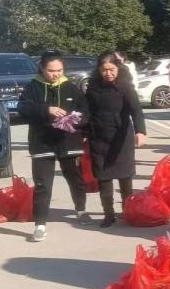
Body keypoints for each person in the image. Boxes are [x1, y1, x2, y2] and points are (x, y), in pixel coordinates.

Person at [17, 49, 91, 242]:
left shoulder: (71, 87)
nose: (56, 74)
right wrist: (46, 109)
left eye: (59, 70)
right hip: (42, 143)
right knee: (42, 184)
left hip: (69, 142)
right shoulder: (33, 87)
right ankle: (40, 224)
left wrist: (75, 120)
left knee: (75, 179)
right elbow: (22, 109)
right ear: (42, 68)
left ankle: (81, 210)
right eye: (51, 70)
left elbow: (86, 113)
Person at [85, 52, 147, 227]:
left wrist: (140, 131)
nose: (108, 73)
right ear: (99, 70)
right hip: (98, 137)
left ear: (118, 68)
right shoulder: (93, 87)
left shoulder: (125, 86)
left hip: (121, 137)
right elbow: (87, 111)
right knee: (103, 178)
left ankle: (128, 211)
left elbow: (136, 110)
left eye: (111, 69)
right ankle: (108, 214)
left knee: (125, 177)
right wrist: (83, 132)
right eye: (104, 70)